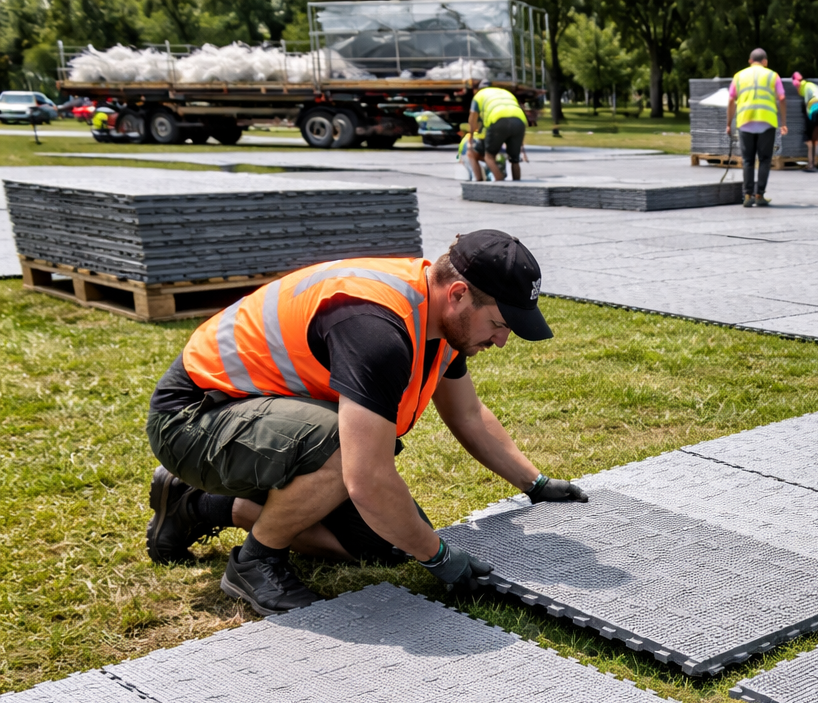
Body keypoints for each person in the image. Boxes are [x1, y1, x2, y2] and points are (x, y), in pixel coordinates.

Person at [143, 230, 589, 617]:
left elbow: (467, 414)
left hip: (262, 420)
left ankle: (199, 506)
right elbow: (366, 477)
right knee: (346, 452)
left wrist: (535, 483)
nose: (502, 340)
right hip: (194, 418)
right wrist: (438, 557)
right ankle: (255, 562)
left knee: (389, 543)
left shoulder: (441, 323)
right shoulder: (376, 329)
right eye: (497, 323)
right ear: (457, 295)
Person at [727, 49, 788, 208]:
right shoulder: (772, 76)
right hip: (767, 122)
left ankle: (748, 196)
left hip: (745, 122)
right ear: (765, 61)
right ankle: (759, 194)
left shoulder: (739, 76)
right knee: (765, 160)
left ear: (750, 61)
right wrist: (783, 123)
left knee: (748, 160)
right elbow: (782, 98)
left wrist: (728, 123)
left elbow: (731, 100)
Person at [467, 80, 527, 182]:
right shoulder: (505, 92)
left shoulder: (479, 95)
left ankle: (498, 183)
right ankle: (518, 185)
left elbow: (472, 119)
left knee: (489, 157)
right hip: (519, 121)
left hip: (498, 120)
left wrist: (471, 137)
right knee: (514, 160)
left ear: (477, 90)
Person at [792, 72, 818, 171]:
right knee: (815, 139)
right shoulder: (813, 86)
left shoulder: (805, 88)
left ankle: (811, 164)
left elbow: (807, 104)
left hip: (813, 109)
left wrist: (808, 118)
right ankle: (814, 162)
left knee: (808, 138)